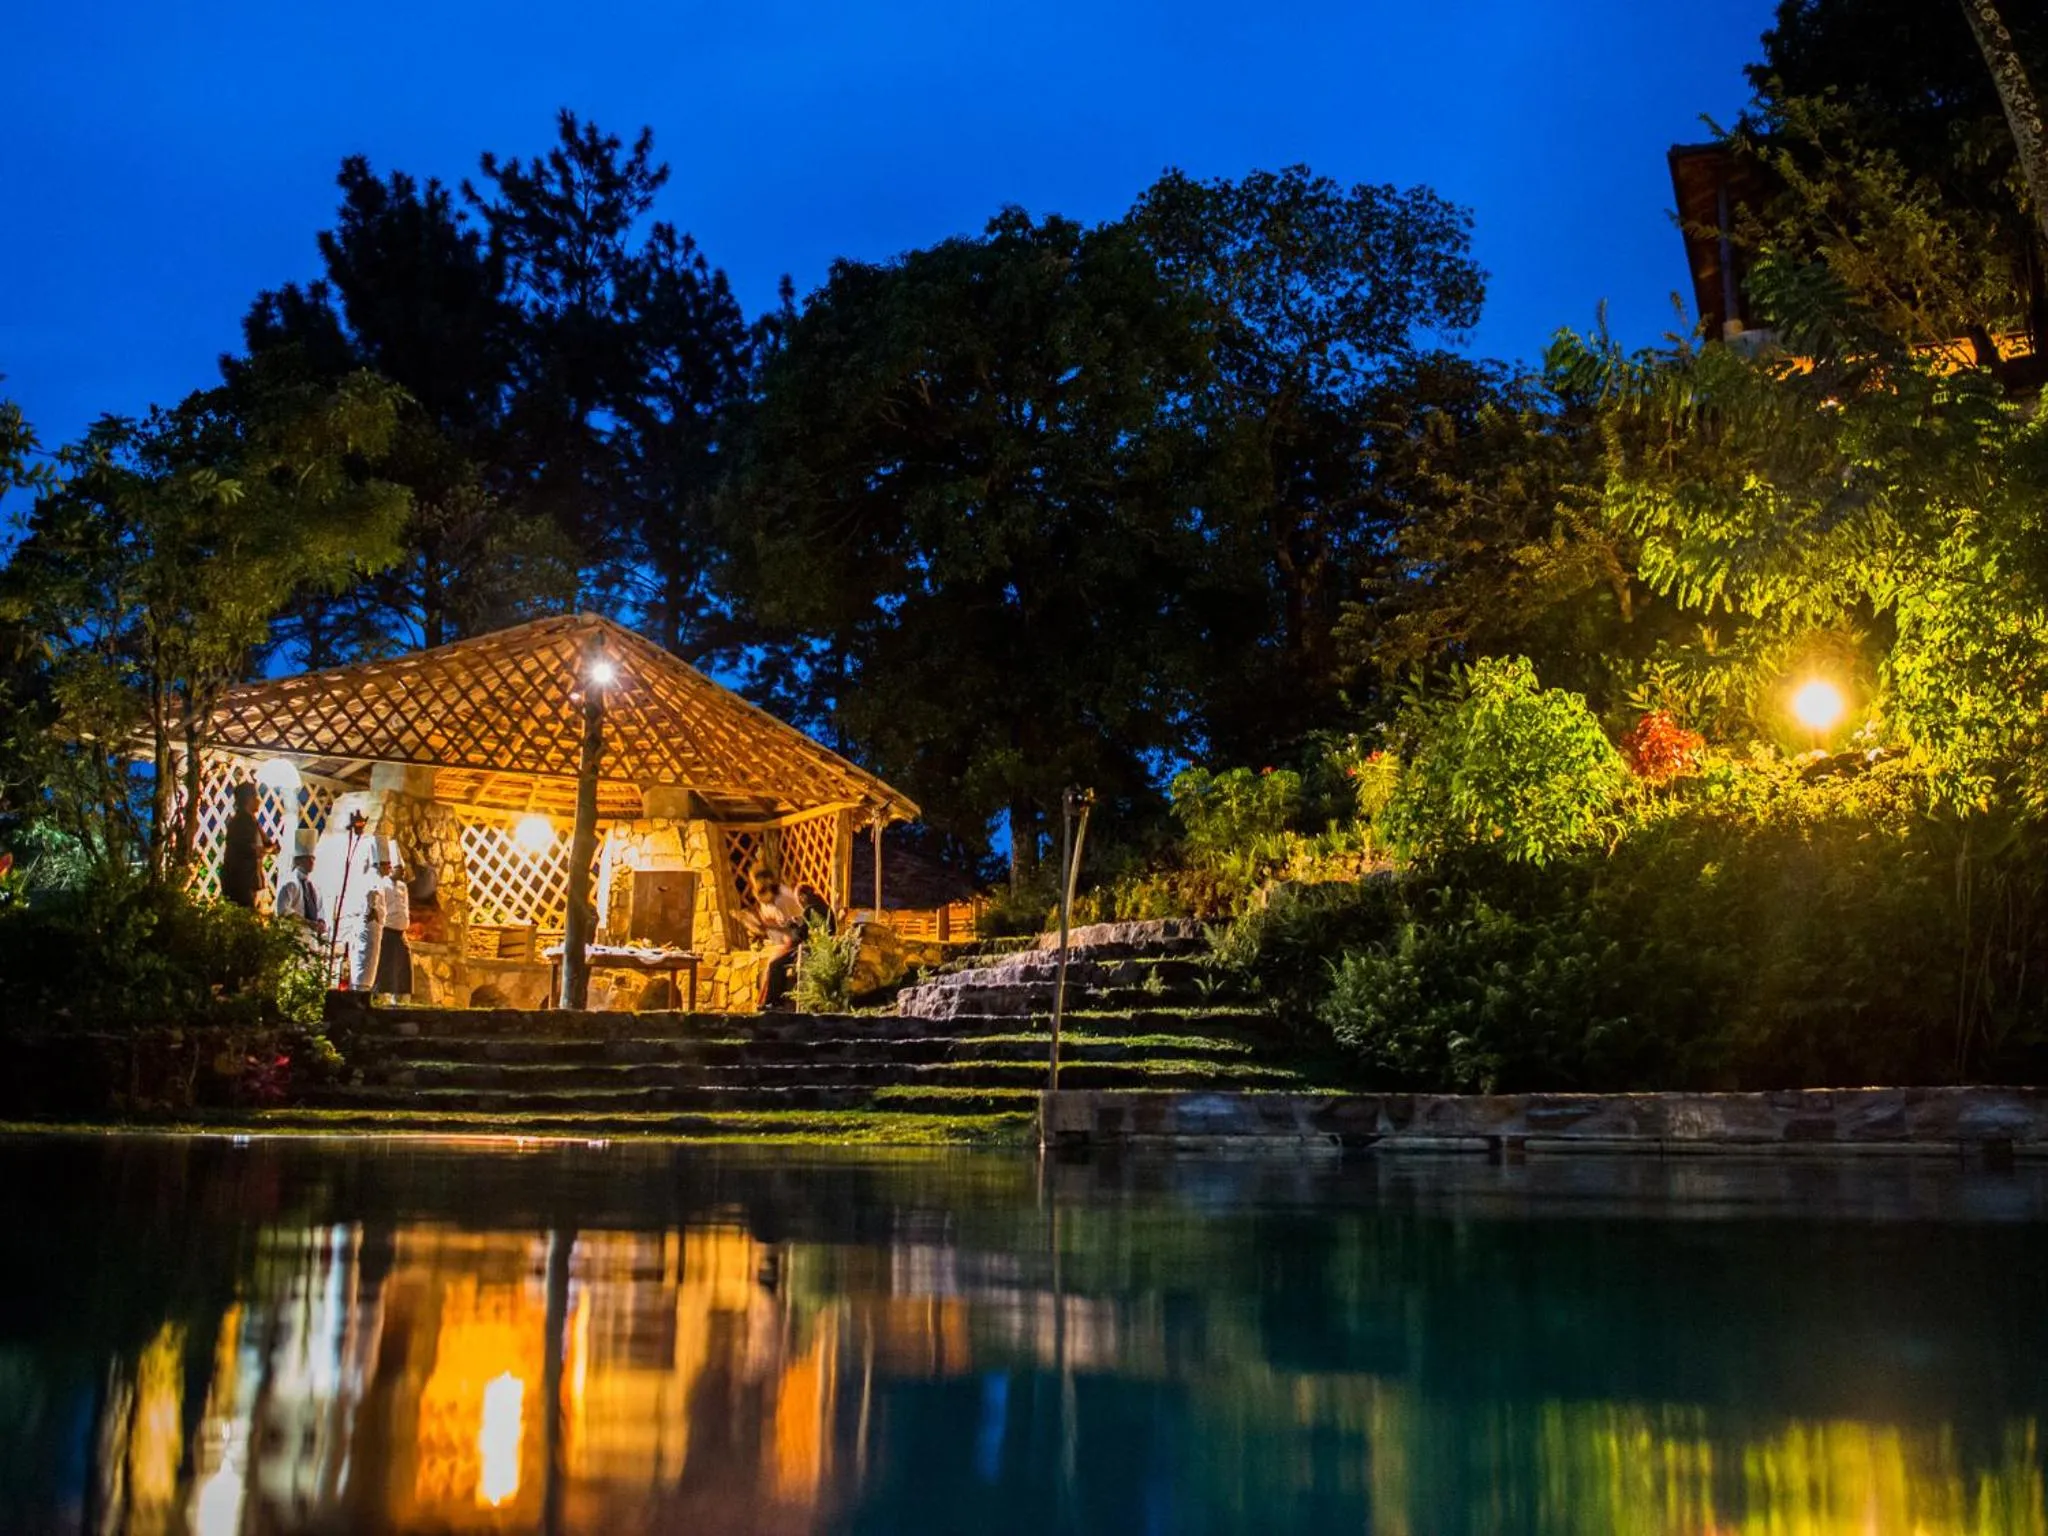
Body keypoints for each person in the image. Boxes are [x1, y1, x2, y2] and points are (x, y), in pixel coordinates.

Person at [741, 868, 805, 1008]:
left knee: (774, 965)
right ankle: (765, 1002)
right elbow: (773, 927)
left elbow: (792, 930)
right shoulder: (767, 900)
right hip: (784, 940)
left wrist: (768, 927)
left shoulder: (783, 898)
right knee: (766, 968)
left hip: (799, 940)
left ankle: (772, 1003)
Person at [220, 782, 276, 909]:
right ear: (249, 799)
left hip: (247, 884)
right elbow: (249, 849)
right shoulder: (243, 821)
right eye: (256, 797)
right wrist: (267, 850)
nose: (259, 801)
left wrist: (269, 846)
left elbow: (268, 843)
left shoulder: (250, 820)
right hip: (242, 885)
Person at [373, 840, 413, 1003]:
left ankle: (401, 999)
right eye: (399, 869)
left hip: (401, 932)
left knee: (403, 969)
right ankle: (382, 997)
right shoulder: (382, 885)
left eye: (403, 870)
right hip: (387, 931)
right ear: (391, 869)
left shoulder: (403, 887)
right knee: (386, 968)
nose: (402, 872)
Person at [274, 832, 324, 938]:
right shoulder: (290, 883)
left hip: (312, 938)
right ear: (298, 860)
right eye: (308, 858)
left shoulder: (314, 886)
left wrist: (321, 921)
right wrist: (307, 923)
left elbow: (320, 909)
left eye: (313, 858)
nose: (312, 862)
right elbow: (283, 911)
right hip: (294, 936)